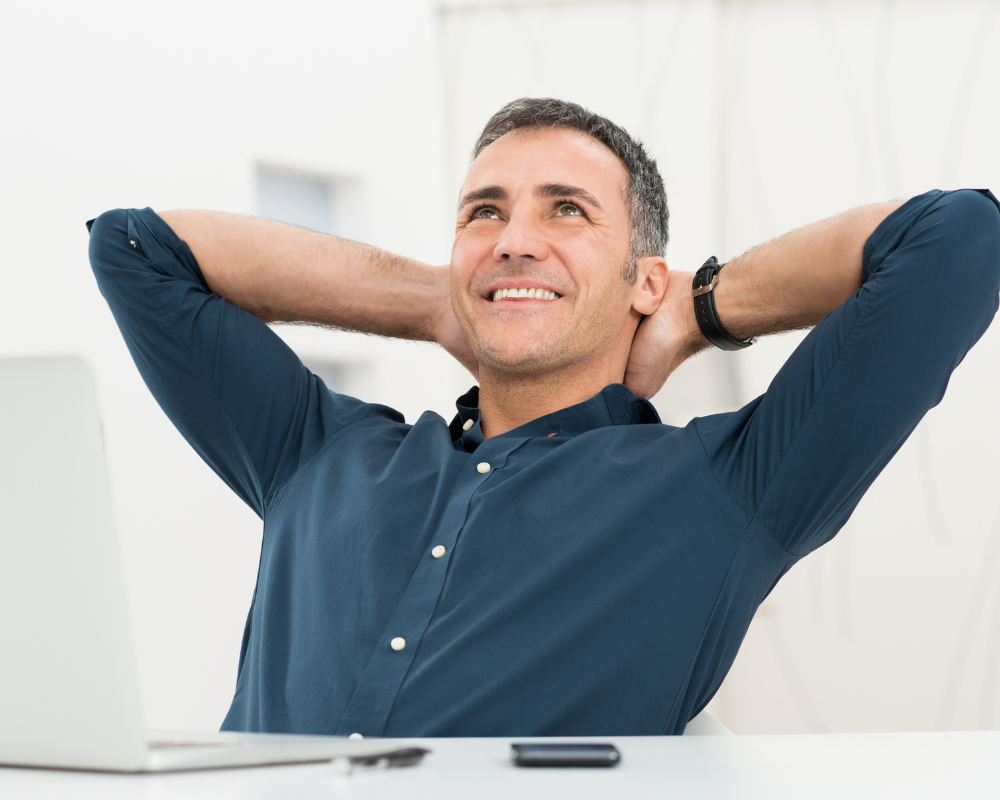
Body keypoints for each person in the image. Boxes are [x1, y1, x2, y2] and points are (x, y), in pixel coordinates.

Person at [87, 98, 1000, 737]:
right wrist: (443, 300)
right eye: (485, 212)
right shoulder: (315, 450)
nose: (515, 235)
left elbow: (959, 237)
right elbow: (134, 249)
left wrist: (696, 308)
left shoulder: (731, 490)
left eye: (567, 211)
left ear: (644, 276)